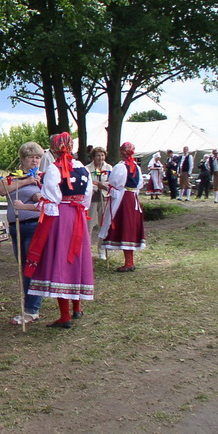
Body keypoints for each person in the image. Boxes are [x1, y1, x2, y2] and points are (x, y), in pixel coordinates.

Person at [24, 132, 93, 329]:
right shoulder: (83, 169)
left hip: (61, 216)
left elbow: (50, 200)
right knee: (76, 257)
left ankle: (65, 316)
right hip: (78, 215)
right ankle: (77, 308)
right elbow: (87, 196)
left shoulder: (54, 169)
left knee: (61, 260)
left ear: (54, 149)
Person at [0, 142, 44, 325]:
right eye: (31, 157)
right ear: (23, 159)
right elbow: (1, 190)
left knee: (30, 268)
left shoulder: (43, 177)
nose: (35, 160)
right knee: (23, 267)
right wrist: (25, 181)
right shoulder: (14, 177)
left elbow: (42, 200)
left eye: (38, 157)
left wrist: (35, 191)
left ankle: (32, 309)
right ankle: (30, 306)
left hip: (33, 226)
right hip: (16, 226)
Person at [99, 142, 146, 272]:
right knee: (130, 228)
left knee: (125, 227)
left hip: (123, 200)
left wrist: (101, 185)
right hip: (133, 199)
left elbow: (115, 185)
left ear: (122, 152)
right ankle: (129, 261)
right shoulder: (136, 166)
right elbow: (139, 184)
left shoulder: (121, 167)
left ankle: (129, 262)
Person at [85, 146, 112, 259]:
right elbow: (87, 182)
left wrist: (102, 185)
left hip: (104, 197)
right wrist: (95, 185)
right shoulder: (87, 168)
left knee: (103, 224)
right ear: (93, 157)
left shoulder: (109, 167)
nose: (100, 158)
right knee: (89, 225)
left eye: (102, 155)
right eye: (98, 155)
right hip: (92, 198)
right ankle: (87, 250)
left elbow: (111, 182)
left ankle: (101, 249)